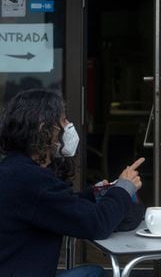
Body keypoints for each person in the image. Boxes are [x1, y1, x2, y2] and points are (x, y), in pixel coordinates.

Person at [0, 89, 144, 276]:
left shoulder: (14, 169)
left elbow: (54, 206)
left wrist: (94, 192)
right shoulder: (32, 179)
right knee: (94, 274)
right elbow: (97, 224)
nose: (69, 126)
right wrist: (125, 187)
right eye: (63, 120)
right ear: (45, 128)